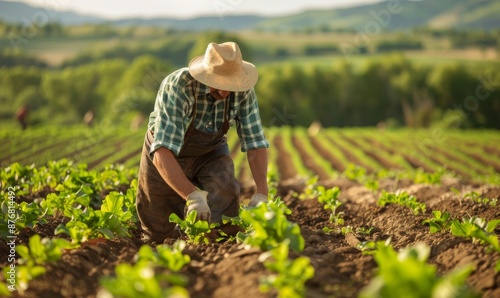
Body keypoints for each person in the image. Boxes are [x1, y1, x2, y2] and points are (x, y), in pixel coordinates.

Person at [136, 42, 270, 242]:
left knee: (225, 201)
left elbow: (255, 144)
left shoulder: (243, 91)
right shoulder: (179, 86)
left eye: (230, 85)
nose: (225, 93)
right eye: (220, 84)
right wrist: (192, 196)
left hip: (210, 152)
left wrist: (262, 192)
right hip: (167, 154)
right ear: (206, 74)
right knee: (159, 231)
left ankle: (219, 251)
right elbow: (163, 150)